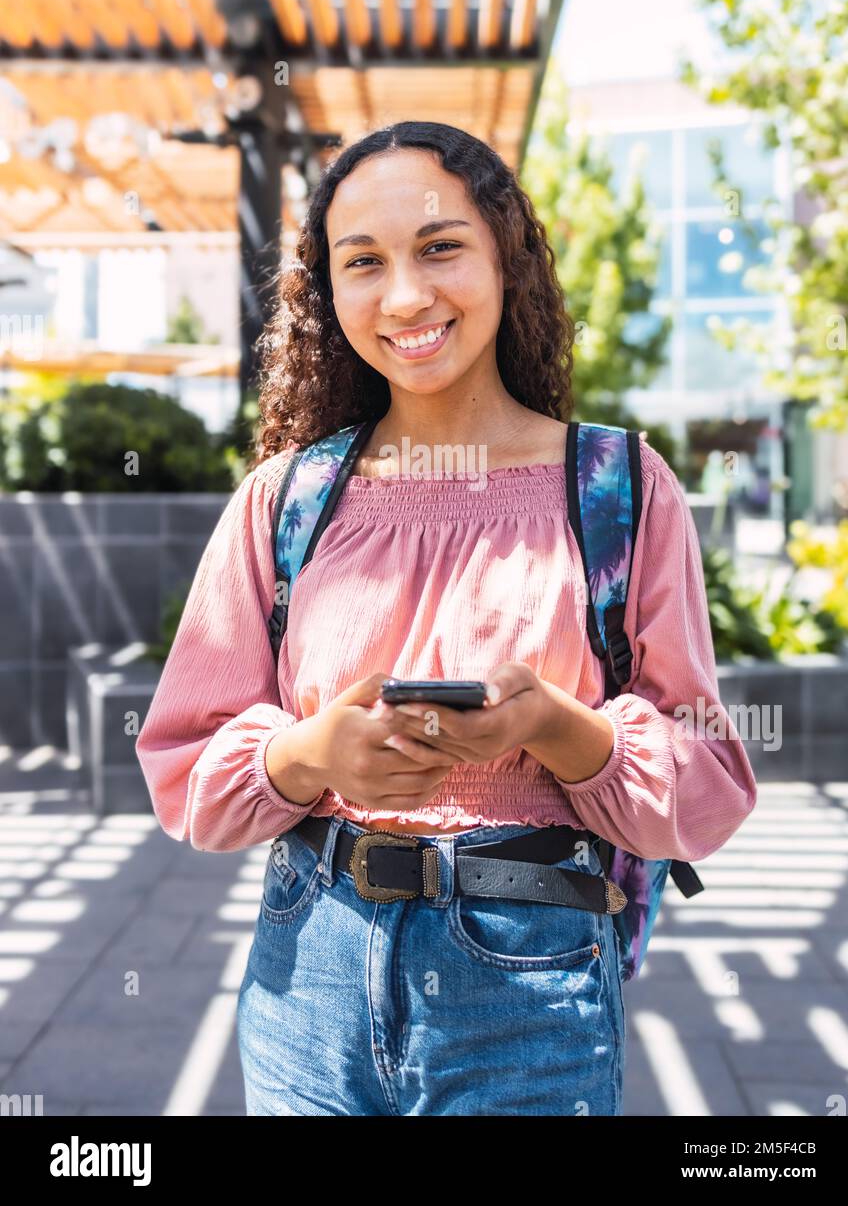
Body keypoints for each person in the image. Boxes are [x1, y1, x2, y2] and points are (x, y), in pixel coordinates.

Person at [135, 121, 757, 1117]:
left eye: (438, 247)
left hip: (529, 992)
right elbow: (182, 767)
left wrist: (557, 728)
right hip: (309, 976)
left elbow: (709, 783)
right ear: (329, 297)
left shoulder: (617, 487)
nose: (406, 295)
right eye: (364, 263)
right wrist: (308, 757)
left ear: (503, 259)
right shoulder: (284, 500)